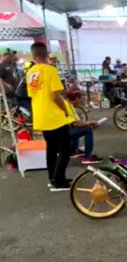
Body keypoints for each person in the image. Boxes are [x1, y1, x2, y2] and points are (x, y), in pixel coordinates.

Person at [27, 43, 74, 192]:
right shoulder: (50, 70)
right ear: (46, 54)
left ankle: (53, 178)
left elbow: (32, 95)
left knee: (51, 149)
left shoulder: (31, 72)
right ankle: (59, 181)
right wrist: (65, 109)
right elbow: (56, 95)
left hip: (41, 115)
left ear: (33, 56)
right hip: (54, 116)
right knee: (65, 148)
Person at [65, 91, 102, 164]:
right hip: (62, 133)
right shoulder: (67, 106)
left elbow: (76, 122)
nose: (80, 101)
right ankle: (88, 157)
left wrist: (87, 124)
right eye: (80, 99)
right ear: (77, 98)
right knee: (88, 130)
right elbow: (76, 123)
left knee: (81, 128)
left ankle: (73, 151)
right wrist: (90, 123)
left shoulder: (69, 104)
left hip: (64, 130)